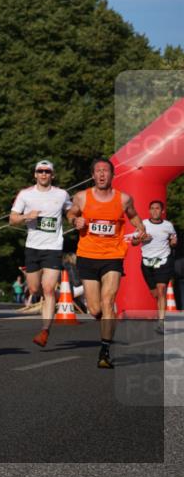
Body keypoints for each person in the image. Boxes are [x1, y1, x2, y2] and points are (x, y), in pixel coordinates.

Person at [67, 158, 146, 369]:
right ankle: (106, 320)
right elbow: (71, 212)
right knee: (95, 309)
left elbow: (134, 217)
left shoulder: (123, 199)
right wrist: (75, 220)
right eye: (98, 171)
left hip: (113, 256)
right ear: (93, 175)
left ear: (112, 175)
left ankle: (105, 351)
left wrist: (141, 231)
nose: (102, 174)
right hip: (87, 255)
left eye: (106, 171)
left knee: (108, 300)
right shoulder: (82, 197)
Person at [9, 160, 72, 347]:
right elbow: (12, 219)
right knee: (35, 289)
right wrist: (26, 216)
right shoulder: (25, 195)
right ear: (35, 174)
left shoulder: (61, 194)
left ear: (52, 175)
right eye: (40, 171)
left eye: (47, 171)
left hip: (53, 248)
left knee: (48, 289)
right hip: (33, 248)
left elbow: (70, 211)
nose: (43, 174)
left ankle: (45, 330)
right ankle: (46, 310)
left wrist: (75, 218)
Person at [134, 200, 177, 332]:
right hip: (147, 262)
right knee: (156, 294)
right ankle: (160, 311)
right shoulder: (143, 224)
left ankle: (161, 322)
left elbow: (173, 241)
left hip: (164, 260)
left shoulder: (168, 225)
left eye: (157, 208)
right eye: (152, 208)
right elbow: (134, 243)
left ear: (162, 211)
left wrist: (173, 242)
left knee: (161, 289)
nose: (154, 211)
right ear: (149, 211)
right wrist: (142, 239)